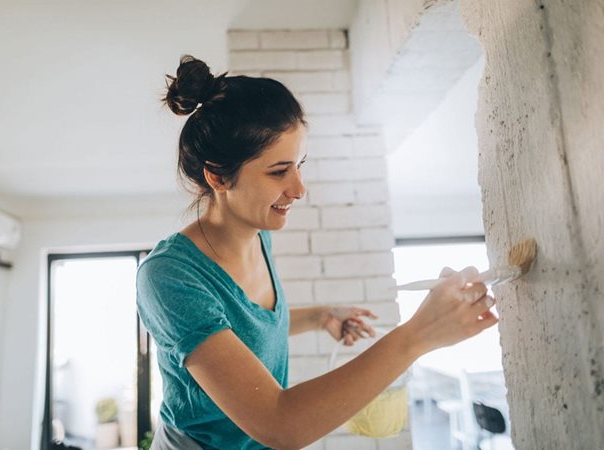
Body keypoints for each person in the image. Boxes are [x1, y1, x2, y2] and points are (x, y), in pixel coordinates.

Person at [136, 55, 497, 450]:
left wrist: (321, 316)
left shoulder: (259, 235)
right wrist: (419, 334)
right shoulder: (169, 276)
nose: (299, 189)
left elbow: (242, 327)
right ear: (218, 176)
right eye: (278, 171)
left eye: (299, 165)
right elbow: (280, 423)